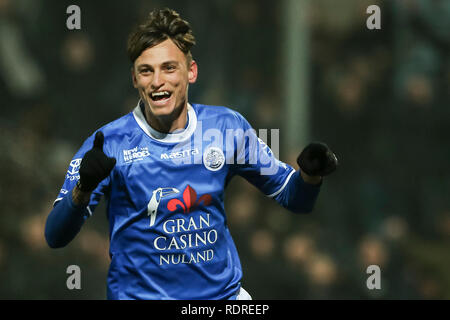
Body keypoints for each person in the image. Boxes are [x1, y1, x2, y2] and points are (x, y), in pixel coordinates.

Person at [44, 8, 338, 300]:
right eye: (146, 71)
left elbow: (294, 197)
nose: (157, 80)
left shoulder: (226, 128)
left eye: (169, 68)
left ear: (191, 72)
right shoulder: (107, 143)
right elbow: (55, 236)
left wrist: (310, 175)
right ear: (134, 79)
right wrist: (82, 189)